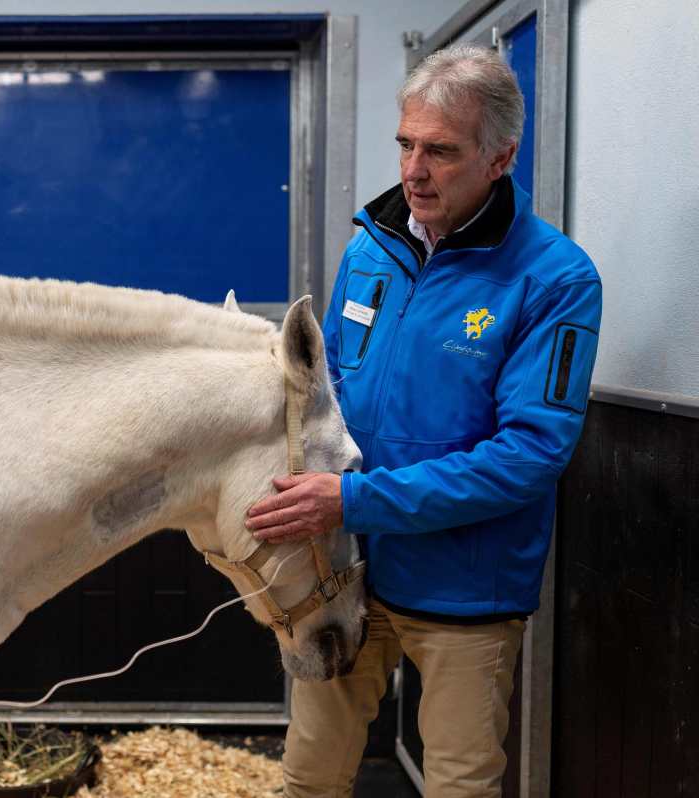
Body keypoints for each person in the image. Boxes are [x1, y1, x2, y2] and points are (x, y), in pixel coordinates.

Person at [244, 44, 601, 797]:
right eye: (406, 144)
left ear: (500, 158)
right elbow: (328, 394)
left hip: (465, 593)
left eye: (441, 152)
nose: (414, 170)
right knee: (308, 777)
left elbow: (531, 455)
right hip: (347, 574)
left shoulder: (555, 279)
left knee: (458, 788)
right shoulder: (370, 252)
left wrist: (352, 500)